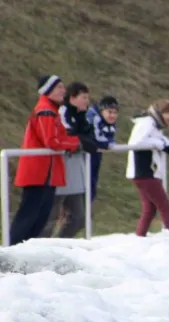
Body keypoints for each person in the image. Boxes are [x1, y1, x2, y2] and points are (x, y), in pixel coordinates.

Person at [9, 75, 82, 245]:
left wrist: (76, 140)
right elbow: (51, 140)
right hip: (38, 173)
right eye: (59, 88)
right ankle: (13, 250)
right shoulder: (46, 110)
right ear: (48, 91)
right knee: (30, 214)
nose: (64, 91)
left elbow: (61, 135)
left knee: (40, 216)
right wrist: (75, 144)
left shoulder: (52, 110)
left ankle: (25, 249)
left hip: (46, 173)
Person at [40, 81, 98, 238]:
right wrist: (81, 141)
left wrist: (85, 141)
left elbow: (90, 140)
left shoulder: (82, 116)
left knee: (79, 217)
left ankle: (59, 246)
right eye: (83, 97)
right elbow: (67, 137)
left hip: (74, 174)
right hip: (59, 171)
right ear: (72, 98)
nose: (87, 101)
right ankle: (38, 250)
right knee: (51, 216)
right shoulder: (61, 113)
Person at [125, 99, 169, 236]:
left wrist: (164, 142)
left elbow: (155, 139)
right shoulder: (147, 122)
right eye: (168, 112)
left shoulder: (154, 125)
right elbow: (136, 143)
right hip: (144, 173)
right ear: (159, 112)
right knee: (165, 208)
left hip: (148, 173)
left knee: (150, 209)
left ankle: (140, 237)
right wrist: (158, 143)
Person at [86, 96, 119, 202]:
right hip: (85, 154)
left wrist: (109, 142)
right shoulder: (93, 117)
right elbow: (97, 137)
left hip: (96, 155)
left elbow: (109, 135)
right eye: (109, 112)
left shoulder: (108, 121)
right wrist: (108, 144)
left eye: (115, 112)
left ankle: (87, 213)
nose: (112, 115)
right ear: (102, 110)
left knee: (93, 184)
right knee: (86, 185)